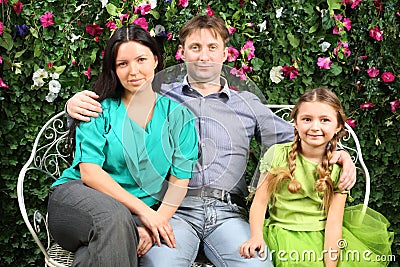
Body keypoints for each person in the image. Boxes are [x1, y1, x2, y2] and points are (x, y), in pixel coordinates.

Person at [65, 15, 357, 267]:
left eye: (212, 48)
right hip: (173, 212)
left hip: (228, 212)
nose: (203, 56)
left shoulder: (248, 104)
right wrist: (72, 107)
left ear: (225, 54)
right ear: (182, 53)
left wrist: (340, 153)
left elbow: (303, 135)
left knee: (257, 263)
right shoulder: (161, 95)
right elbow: (116, 109)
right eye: (195, 48)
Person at [47, 24, 198, 266]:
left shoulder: (179, 117)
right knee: (115, 219)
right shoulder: (97, 110)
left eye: (141, 59)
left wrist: (155, 223)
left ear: (156, 60)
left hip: (127, 220)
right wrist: (147, 214)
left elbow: (180, 179)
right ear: (114, 70)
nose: (134, 71)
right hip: (76, 202)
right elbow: (90, 173)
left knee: (90, 257)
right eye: (122, 64)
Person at [239, 88, 393, 266]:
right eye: (306, 119)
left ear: (338, 127)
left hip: (323, 238)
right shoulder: (277, 155)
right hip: (280, 233)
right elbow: (259, 202)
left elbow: (334, 224)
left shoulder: (338, 168)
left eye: (325, 120)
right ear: (295, 122)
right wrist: (256, 236)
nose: (314, 127)